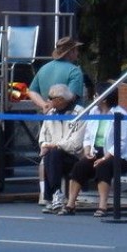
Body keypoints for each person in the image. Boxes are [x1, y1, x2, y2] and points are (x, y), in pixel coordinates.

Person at [73, 80, 127, 217]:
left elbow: (122, 143)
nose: (94, 98)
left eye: (96, 95)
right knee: (80, 165)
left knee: (104, 166)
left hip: (120, 155)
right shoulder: (94, 111)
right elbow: (88, 136)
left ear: (104, 98)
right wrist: (87, 150)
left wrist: (105, 158)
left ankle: (102, 205)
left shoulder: (120, 113)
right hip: (98, 151)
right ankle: (71, 203)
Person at [37, 84, 86, 214]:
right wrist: (46, 145)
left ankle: (53, 195)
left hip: (74, 156)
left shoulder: (80, 113)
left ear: (60, 99)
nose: (48, 101)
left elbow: (76, 144)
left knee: (54, 153)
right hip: (54, 156)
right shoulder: (50, 114)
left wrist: (55, 145)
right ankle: (56, 194)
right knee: (51, 154)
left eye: (50, 98)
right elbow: (43, 137)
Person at [27, 36, 86, 111]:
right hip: (69, 119)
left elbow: (32, 91)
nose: (78, 52)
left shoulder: (43, 68)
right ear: (70, 52)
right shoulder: (75, 71)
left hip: (46, 118)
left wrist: (44, 105)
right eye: (76, 50)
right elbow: (71, 97)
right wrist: (53, 105)